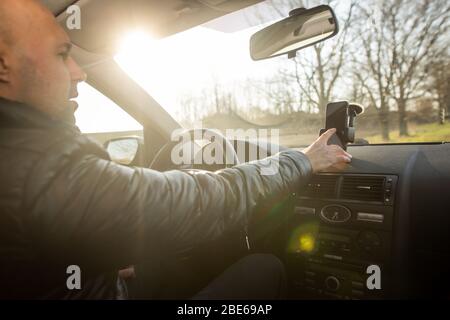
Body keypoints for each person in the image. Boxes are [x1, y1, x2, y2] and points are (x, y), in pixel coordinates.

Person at [0, 0, 352, 299]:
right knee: (266, 266)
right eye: (62, 54)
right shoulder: (43, 168)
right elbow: (206, 200)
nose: (80, 73)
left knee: (170, 263)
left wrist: (94, 264)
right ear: (4, 66)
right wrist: (303, 160)